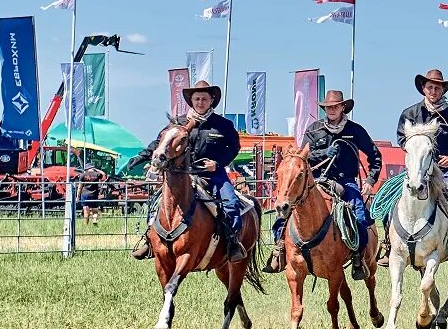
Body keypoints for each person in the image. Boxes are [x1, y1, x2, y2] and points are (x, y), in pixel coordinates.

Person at [265, 90, 383, 279]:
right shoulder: (314, 129)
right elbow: (303, 157)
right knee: (286, 213)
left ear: (343, 107)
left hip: (346, 182)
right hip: (317, 182)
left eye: (335, 106)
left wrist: (370, 180)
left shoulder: (355, 130)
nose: (332, 110)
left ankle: (358, 258)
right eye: (328, 107)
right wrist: (324, 153)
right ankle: (279, 250)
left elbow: (375, 156)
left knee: (360, 215)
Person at [127, 81, 245, 262]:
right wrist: (141, 157)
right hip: (181, 175)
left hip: (212, 174)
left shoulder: (223, 125)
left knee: (231, 203)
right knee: (157, 203)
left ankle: (232, 243)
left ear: (212, 100)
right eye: (196, 98)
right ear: (191, 101)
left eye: (204, 99)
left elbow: (234, 148)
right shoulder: (178, 123)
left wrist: (218, 164)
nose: (200, 102)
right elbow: (161, 143)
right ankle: (149, 241)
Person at [394, 69, 448, 268]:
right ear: (423, 89)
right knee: (391, 203)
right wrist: (415, 154)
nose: (433, 91)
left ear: (442, 90)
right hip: (416, 170)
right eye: (429, 87)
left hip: (444, 170)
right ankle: (390, 245)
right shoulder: (410, 113)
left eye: (437, 87)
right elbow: (401, 138)